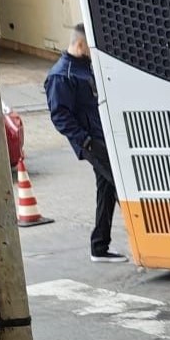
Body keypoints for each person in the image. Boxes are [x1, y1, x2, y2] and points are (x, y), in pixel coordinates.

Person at [45, 24, 127, 263]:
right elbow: (60, 116)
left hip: (101, 137)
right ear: (80, 45)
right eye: (91, 46)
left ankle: (99, 246)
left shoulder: (84, 67)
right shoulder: (62, 75)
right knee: (122, 185)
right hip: (91, 142)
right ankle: (148, 241)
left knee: (107, 188)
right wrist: (85, 141)